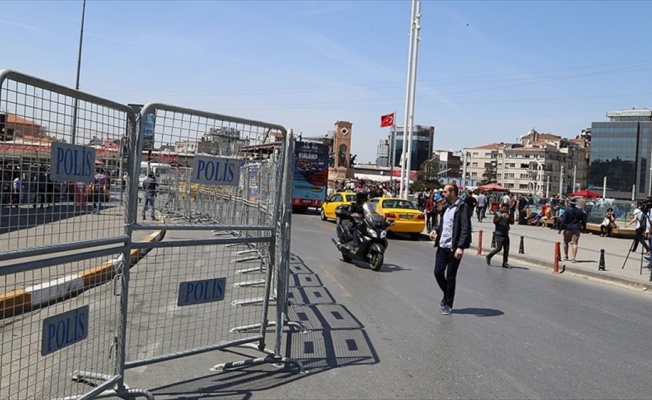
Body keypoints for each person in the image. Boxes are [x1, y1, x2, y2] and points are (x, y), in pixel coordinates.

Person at [428, 183, 472, 316]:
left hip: (454, 248)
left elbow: (465, 228)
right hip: (442, 245)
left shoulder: (462, 208)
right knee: (438, 272)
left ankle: (448, 303)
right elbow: (442, 224)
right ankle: (447, 294)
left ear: (452, 193)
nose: (443, 194)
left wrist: (461, 247)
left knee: (451, 276)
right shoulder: (446, 207)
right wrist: (435, 230)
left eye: (445, 192)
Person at [558, 198, 587, 263]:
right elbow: (583, 221)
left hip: (568, 228)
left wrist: (560, 229)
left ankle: (566, 256)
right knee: (575, 243)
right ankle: (573, 258)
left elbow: (563, 220)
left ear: (570, 204)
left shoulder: (567, 210)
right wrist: (584, 229)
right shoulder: (580, 211)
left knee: (565, 241)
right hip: (577, 228)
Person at [485, 203, 514, 268]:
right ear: (502, 208)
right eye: (504, 208)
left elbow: (512, 222)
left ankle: (505, 262)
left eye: (506, 209)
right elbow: (495, 222)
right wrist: (501, 217)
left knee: (506, 249)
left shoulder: (508, 214)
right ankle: (489, 256)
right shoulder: (497, 213)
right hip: (499, 234)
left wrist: (509, 218)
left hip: (506, 233)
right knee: (498, 248)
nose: (505, 210)